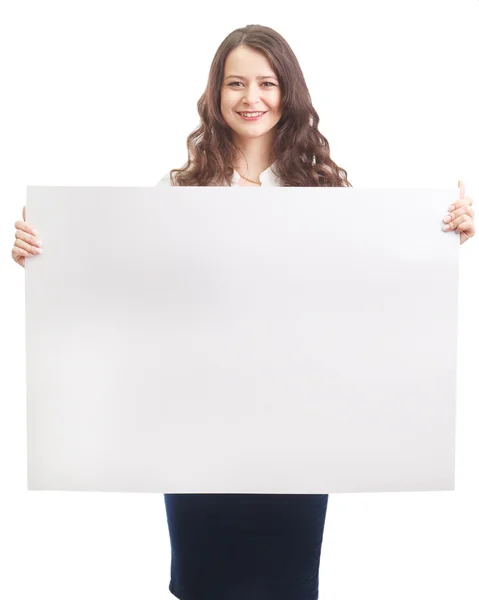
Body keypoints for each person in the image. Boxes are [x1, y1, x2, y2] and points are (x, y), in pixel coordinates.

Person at [11, 23, 476, 600]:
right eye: (235, 83)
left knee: (288, 585)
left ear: (289, 93)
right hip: (197, 432)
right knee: (204, 583)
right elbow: (129, 293)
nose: (250, 97)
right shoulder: (178, 189)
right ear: (216, 94)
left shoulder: (325, 193)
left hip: (300, 430)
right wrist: (50, 254)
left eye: (266, 83)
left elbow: (369, 292)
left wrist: (440, 243)